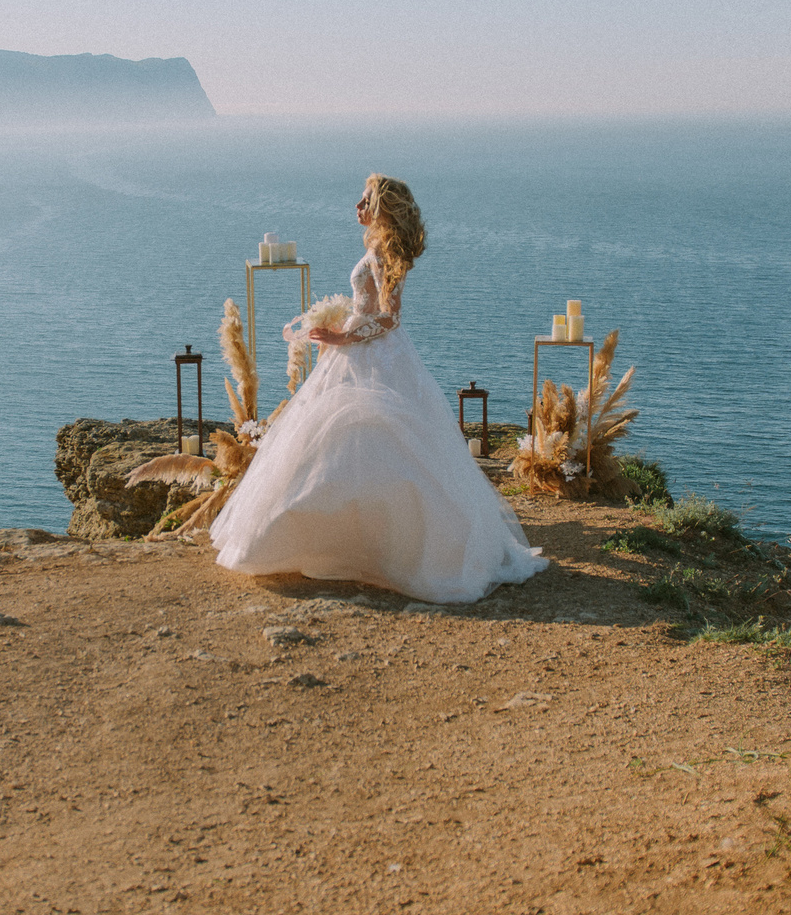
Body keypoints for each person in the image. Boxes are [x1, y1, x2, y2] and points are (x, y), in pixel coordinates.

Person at [209, 174, 547, 604]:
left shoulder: (382, 251)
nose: (357, 206)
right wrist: (340, 327)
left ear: (384, 208)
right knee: (345, 442)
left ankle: (379, 548)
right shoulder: (377, 248)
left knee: (372, 440)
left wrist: (343, 338)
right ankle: (351, 540)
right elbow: (370, 309)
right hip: (362, 349)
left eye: (365, 199)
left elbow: (391, 317)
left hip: (373, 354)